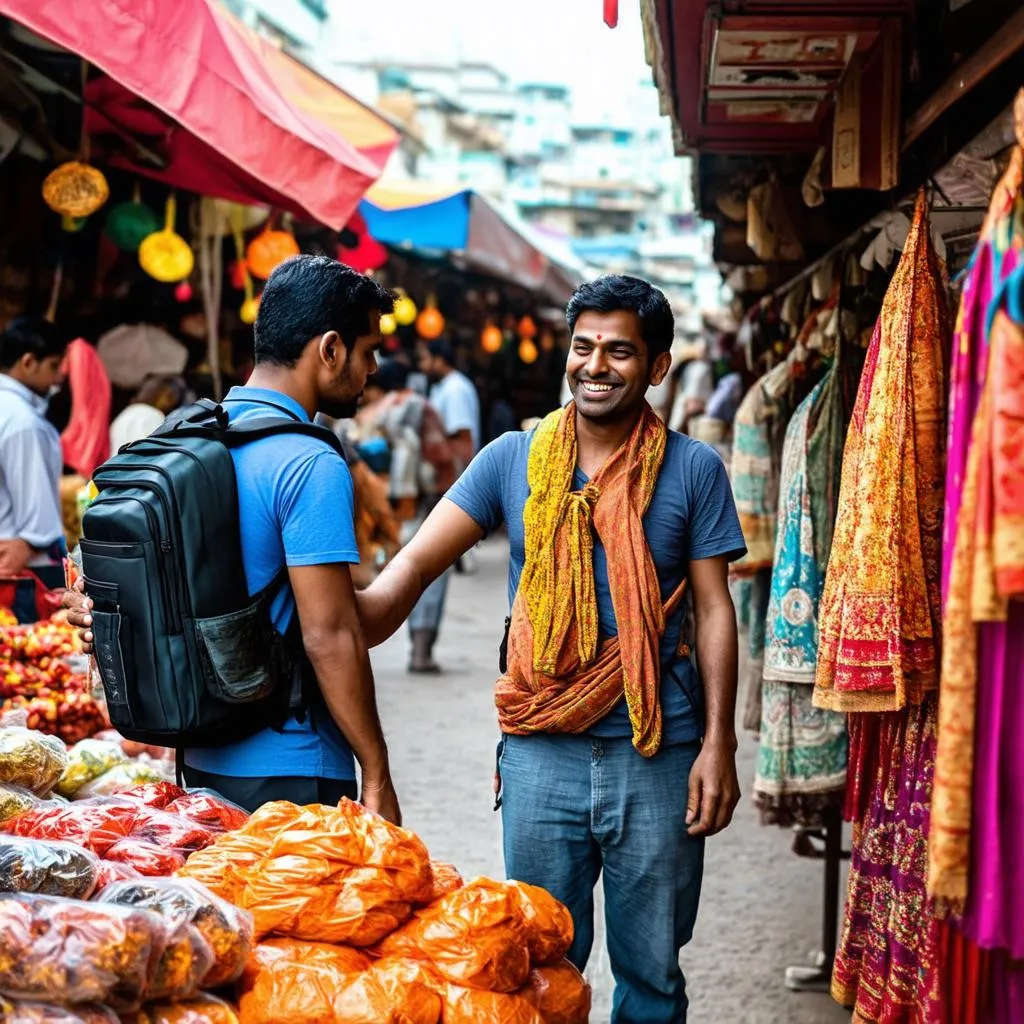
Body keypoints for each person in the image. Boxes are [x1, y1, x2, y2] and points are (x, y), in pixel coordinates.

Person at [358, 275, 746, 1021]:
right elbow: (413, 563)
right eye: (583, 347)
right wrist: (347, 616)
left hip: (657, 748)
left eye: (619, 352)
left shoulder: (693, 470)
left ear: (657, 367)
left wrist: (718, 744)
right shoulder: (513, 458)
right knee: (535, 968)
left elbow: (712, 608)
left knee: (653, 975)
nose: (595, 366)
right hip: (540, 753)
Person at [68, 255, 401, 821]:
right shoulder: (309, 461)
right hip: (294, 765)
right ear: (330, 349)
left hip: (200, 756)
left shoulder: (187, 439)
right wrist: (376, 769)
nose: (371, 369)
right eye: (368, 350)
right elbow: (331, 635)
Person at [357, 359, 456, 672]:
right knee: (430, 572)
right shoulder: (421, 407)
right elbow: (441, 456)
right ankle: (421, 649)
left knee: (392, 568)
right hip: (423, 504)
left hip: (384, 509)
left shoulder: (368, 414)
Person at [0, 316, 68, 593]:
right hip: (25, 569)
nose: (58, 377)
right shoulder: (23, 422)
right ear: (28, 362)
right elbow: (38, 524)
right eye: (54, 366)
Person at [417, 338, 480, 473]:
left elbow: (464, 442)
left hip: (456, 477)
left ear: (439, 360)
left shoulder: (455, 388)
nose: (421, 366)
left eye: (424, 359)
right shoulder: (441, 386)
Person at [108, 375, 189, 453]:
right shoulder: (152, 414)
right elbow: (148, 450)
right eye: (169, 397)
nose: (168, 403)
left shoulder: (130, 411)